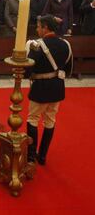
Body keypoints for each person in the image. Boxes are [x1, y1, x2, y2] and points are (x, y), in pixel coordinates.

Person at [26, 15, 72, 165]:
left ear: (45, 27)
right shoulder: (66, 44)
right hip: (57, 87)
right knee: (50, 121)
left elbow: (28, 70)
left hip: (40, 88)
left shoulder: (37, 46)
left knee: (33, 119)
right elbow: (68, 68)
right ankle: (43, 156)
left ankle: (31, 156)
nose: (37, 29)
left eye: (39, 27)